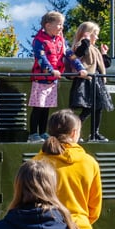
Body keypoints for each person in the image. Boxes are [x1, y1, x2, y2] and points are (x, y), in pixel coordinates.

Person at [28, 11, 87, 143]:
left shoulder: (60, 40)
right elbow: (41, 57)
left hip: (53, 80)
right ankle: (33, 133)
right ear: (48, 25)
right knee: (38, 106)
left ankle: (42, 132)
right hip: (41, 78)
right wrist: (50, 70)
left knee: (46, 107)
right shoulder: (39, 40)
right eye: (59, 24)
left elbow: (70, 55)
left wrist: (80, 67)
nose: (61, 27)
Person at [69, 21, 113, 142]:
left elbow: (105, 64)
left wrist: (104, 53)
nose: (97, 38)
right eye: (95, 34)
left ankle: (95, 133)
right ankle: (75, 130)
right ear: (87, 34)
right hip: (86, 80)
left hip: (97, 81)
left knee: (98, 107)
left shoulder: (95, 49)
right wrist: (86, 41)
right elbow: (78, 54)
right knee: (87, 108)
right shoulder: (81, 45)